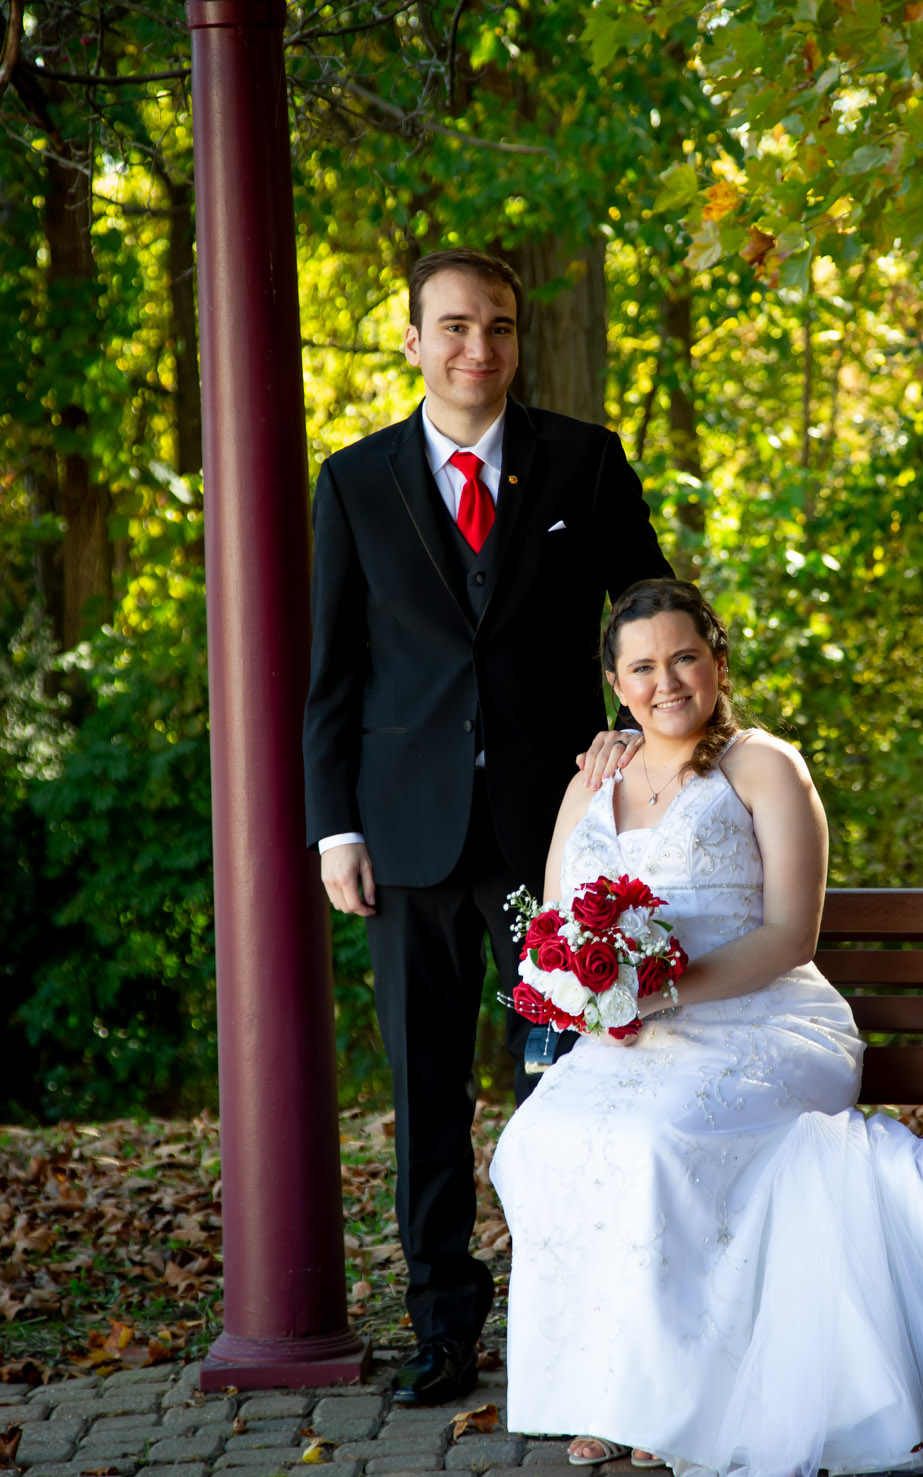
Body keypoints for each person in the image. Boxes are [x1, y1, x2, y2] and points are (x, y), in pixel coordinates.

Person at [489, 579, 923, 1477]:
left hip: (763, 1020)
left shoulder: (761, 765)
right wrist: (587, 997)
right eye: (642, 666)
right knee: (539, 1141)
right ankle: (606, 1389)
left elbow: (792, 935)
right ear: (614, 683)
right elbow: (555, 923)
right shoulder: (592, 781)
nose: (666, 680)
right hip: (631, 1033)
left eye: (683, 656)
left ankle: (675, 1403)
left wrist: (660, 992)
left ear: (716, 660)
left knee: (656, 1142)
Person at [301, 248, 672, 1407]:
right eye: (454, 327)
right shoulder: (355, 483)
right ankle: (443, 1328)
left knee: (568, 1091)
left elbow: (650, 613)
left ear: (519, 340)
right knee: (425, 1097)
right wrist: (333, 831)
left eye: (499, 328)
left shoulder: (584, 462)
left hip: (547, 833)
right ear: (412, 341)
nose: (479, 348)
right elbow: (332, 672)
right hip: (403, 841)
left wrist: (639, 745)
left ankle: (574, 1325)